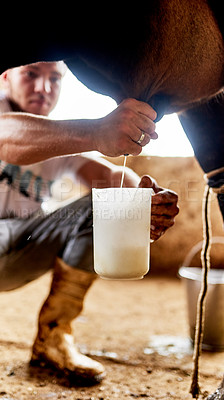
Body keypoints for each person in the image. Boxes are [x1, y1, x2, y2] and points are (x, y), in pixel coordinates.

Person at [0, 61, 179, 384]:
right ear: (5, 76)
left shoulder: (54, 135)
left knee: (100, 206)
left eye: (54, 78)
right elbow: (6, 137)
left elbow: (111, 176)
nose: (44, 87)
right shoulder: (8, 119)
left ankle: (52, 337)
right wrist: (97, 130)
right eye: (31, 74)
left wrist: (141, 200)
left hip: (17, 248)